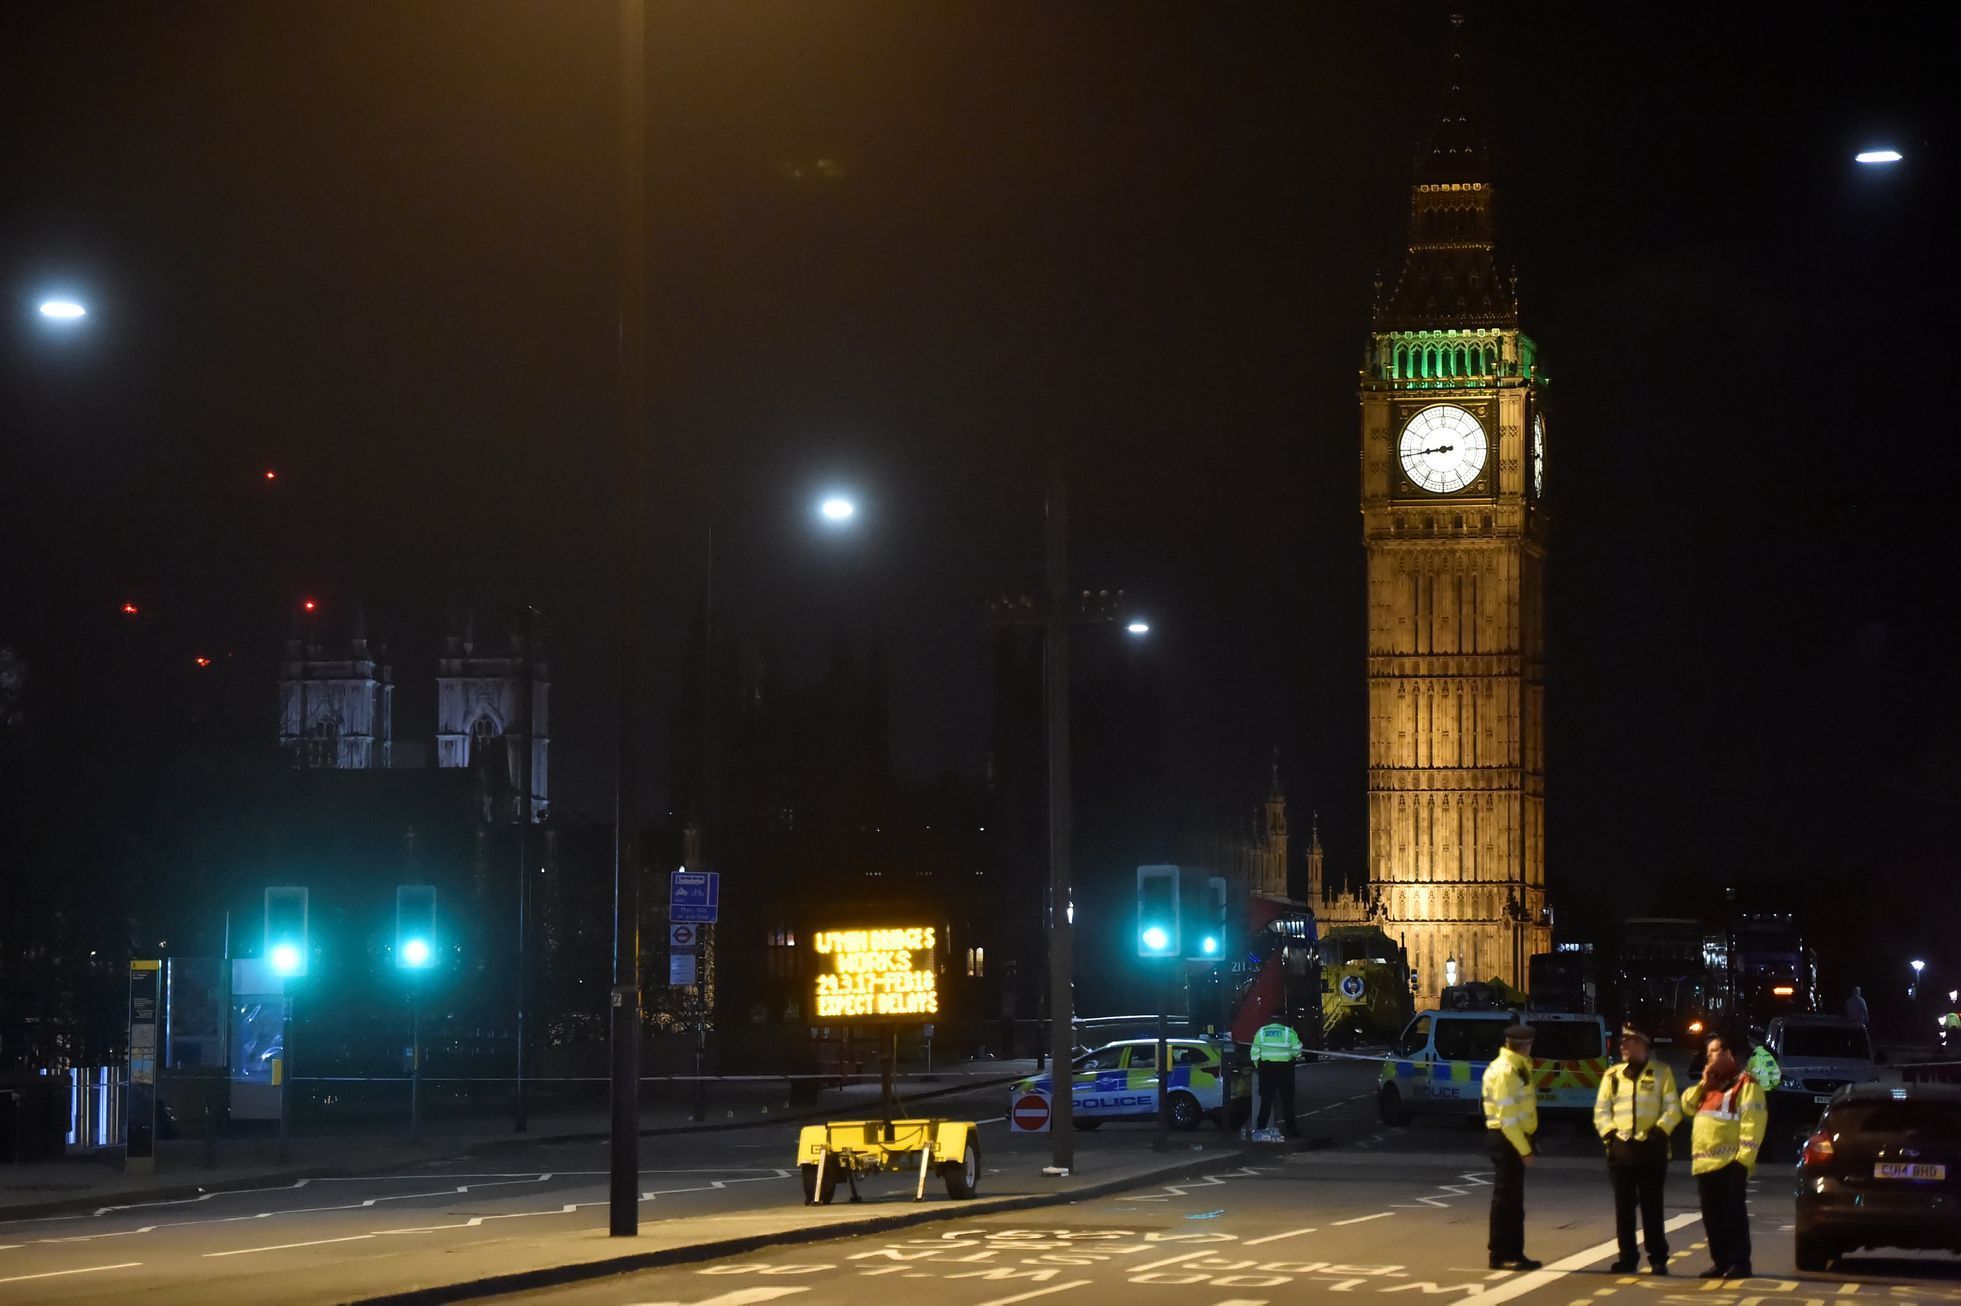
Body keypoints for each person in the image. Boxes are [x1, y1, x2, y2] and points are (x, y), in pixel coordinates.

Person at [1593, 1025, 1682, 1274]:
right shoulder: (1612, 1075)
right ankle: (1627, 1257)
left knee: (1652, 1207)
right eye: (1622, 1041)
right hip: (1621, 1151)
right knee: (1624, 1208)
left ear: (1643, 1044)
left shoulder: (1662, 1073)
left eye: (1629, 1041)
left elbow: (1672, 1109)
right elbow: (1601, 1111)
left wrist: (1658, 1132)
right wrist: (1611, 1136)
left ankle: (1658, 1258)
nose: (1623, 1046)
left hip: (1651, 1150)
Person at [1682, 1030, 1767, 1279]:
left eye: (1714, 1051)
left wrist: (1743, 1162)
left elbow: (1753, 1125)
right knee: (1712, 1219)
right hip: (1705, 1164)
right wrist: (1703, 1085)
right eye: (1707, 1053)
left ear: (1730, 1054)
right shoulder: (1708, 1085)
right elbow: (1686, 1106)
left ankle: (1740, 1263)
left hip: (1732, 1163)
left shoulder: (1746, 1084)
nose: (1709, 1057)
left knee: (1733, 1216)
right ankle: (1720, 1261)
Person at [1482, 1022, 1542, 1271]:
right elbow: (1508, 1117)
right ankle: (1502, 1252)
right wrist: (1524, 1149)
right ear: (1524, 1046)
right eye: (1529, 1045)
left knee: (1511, 1199)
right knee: (1507, 1199)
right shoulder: (1507, 1071)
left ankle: (1511, 1251)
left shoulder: (1515, 1067)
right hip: (1508, 1138)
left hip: (1511, 1136)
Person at [1250, 1016, 1304, 1138]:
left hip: (1266, 1069)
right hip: (1285, 1069)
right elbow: (1297, 1051)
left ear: (1270, 1021)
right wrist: (1291, 1054)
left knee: (1266, 1100)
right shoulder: (1288, 1032)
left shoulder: (1261, 1032)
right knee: (1287, 1100)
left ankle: (1260, 1129)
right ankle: (1292, 1131)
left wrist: (1258, 1065)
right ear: (1282, 1021)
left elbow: (1254, 1051)